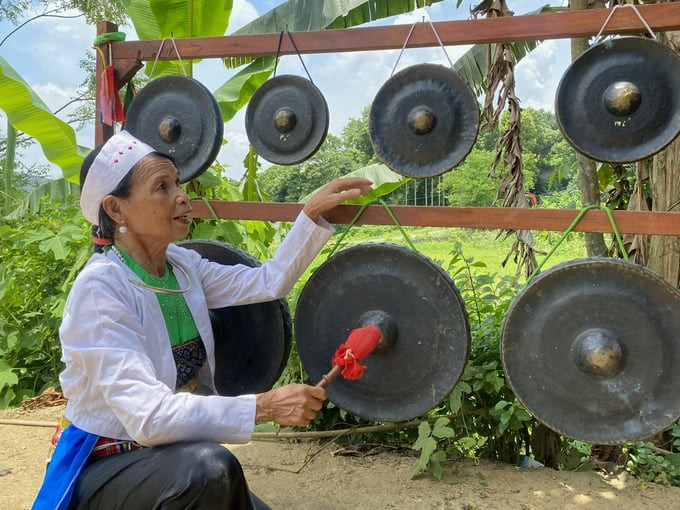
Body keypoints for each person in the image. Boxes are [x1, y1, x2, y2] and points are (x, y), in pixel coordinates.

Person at [32, 130, 373, 510]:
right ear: (116, 210)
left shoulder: (183, 267)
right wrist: (265, 406)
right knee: (211, 470)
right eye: (161, 187)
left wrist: (309, 214)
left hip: (170, 456)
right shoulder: (101, 290)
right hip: (106, 464)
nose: (182, 196)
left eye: (177, 182)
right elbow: (149, 417)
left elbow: (268, 281)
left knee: (218, 476)